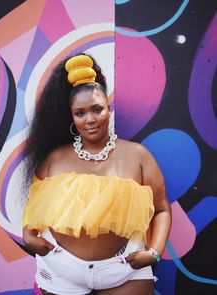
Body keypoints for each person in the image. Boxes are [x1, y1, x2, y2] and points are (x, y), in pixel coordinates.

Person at [22, 53, 172, 295]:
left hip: (125, 269)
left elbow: (162, 209)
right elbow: (34, 207)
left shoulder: (138, 156)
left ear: (109, 109)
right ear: (72, 117)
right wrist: (28, 235)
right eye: (80, 113)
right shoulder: (53, 158)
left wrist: (154, 253)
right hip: (61, 270)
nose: (90, 119)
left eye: (97, 109)